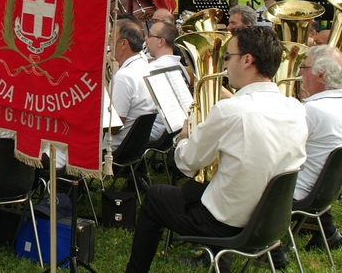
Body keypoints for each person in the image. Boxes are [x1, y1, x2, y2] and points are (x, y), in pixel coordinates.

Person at [124, 26, 308, 272]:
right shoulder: (295, 108)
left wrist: (184, 137)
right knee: (195, 190)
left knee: (156, 197)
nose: (224, 66)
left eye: (227, 57)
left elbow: (187, 164)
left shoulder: (231, 111)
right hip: (270, 222)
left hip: (228, 222)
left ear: (247, 60)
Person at [294, 45, 342, 251]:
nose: (300, 73)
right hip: (325, 192)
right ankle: (326, 231)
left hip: (296, 193)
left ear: (321, 75)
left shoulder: (312, 110)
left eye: (304, 68)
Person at [107, 19, 163, 149]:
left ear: (123, 44)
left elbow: (114, 128)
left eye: (111, 38)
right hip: (135, 148)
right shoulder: (148, 68)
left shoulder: (124, 77)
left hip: (115, 148)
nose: (108, 44)